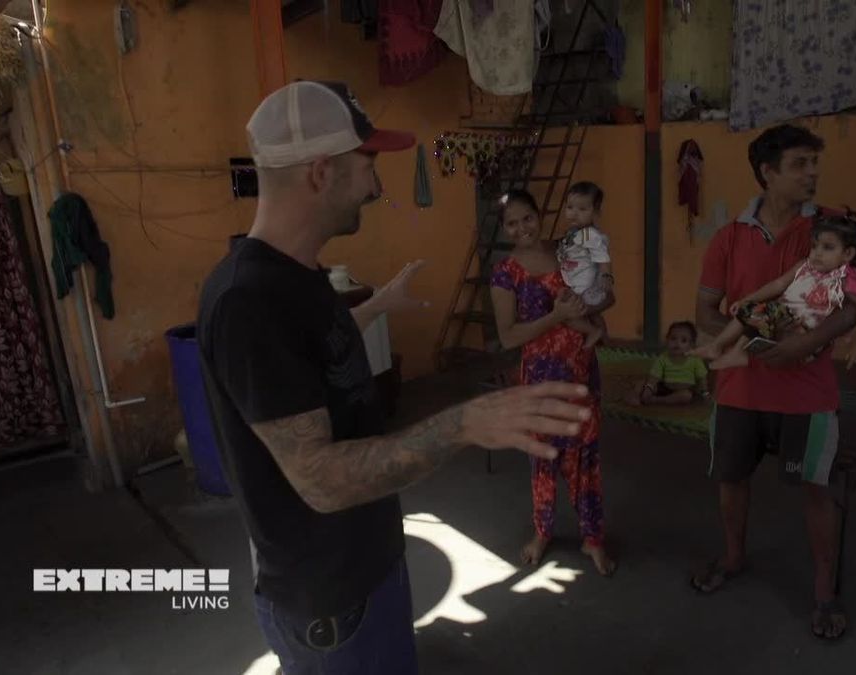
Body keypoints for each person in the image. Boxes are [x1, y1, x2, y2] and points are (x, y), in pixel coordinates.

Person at [197, 81, 592, 675]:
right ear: (320, 172)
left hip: (365, 564)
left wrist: (375, 306)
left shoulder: (295, 275)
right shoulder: (248, 300)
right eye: (369, 164)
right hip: (331, 599)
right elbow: (322, 480)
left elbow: (310, 355)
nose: (378, 187)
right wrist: (463, 423)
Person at [689, 124, 856, 641]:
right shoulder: (729, 237)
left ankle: (823, 591)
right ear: (767, 173)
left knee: (816, 489)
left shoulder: (835, 229)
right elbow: (705, 308)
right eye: (799, 164)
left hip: (807, 392)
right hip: (740, 392)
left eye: (815, 162)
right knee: (731, 480)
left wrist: (801, 347)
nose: (813, 173)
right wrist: (758, 346)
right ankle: (732, 556)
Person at [489, 188, 617, 577]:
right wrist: (557, 316)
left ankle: (592, 538)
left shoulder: (567, 251)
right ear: (505, 229)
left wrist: (591, 311)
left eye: (528, 217)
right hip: (541, 378)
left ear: (540, 215)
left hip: (581, 369)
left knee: (586, 460)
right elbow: (509, 337)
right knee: (543, 459)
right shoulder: (505, 272)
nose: (522, 227)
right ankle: (543, 531)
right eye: (512, 222)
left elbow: (604, 294)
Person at [691, 211, 856, 371]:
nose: (817, 253)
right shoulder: (805, 266)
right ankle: (719, 347)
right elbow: (778, 285)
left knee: (762, 313)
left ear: (848, 254)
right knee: (749, 310)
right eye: (814, 246)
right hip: (782, 316)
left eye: (828, 248)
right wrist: (748, 299)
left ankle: (734, 351)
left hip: (802, 332)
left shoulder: (843, 281)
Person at [556, 181, 614, 350]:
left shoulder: (590, 235)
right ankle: (606, 343)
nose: (574, 214)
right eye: (570, 207)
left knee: (566, 313)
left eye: (582, 209)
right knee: (594, 314)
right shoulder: (576, 232)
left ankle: (593, 332)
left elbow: (603, 258)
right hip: (580, 282)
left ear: (596, 212)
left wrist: (606, 275)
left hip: (585, 286)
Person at [626, 321, 709, 406]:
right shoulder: (663, 358)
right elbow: (654, 376)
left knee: (686, 396)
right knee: (642, 383)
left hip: (684, 390)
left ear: (692, 345)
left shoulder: (695, 360)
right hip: (665, 387)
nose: (677, 343)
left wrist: (705, 393)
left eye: (683, 340)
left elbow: (702, 378)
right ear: (667, 340)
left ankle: (657, 400)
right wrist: (649, 388)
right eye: (673, 338)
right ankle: (634, 395)